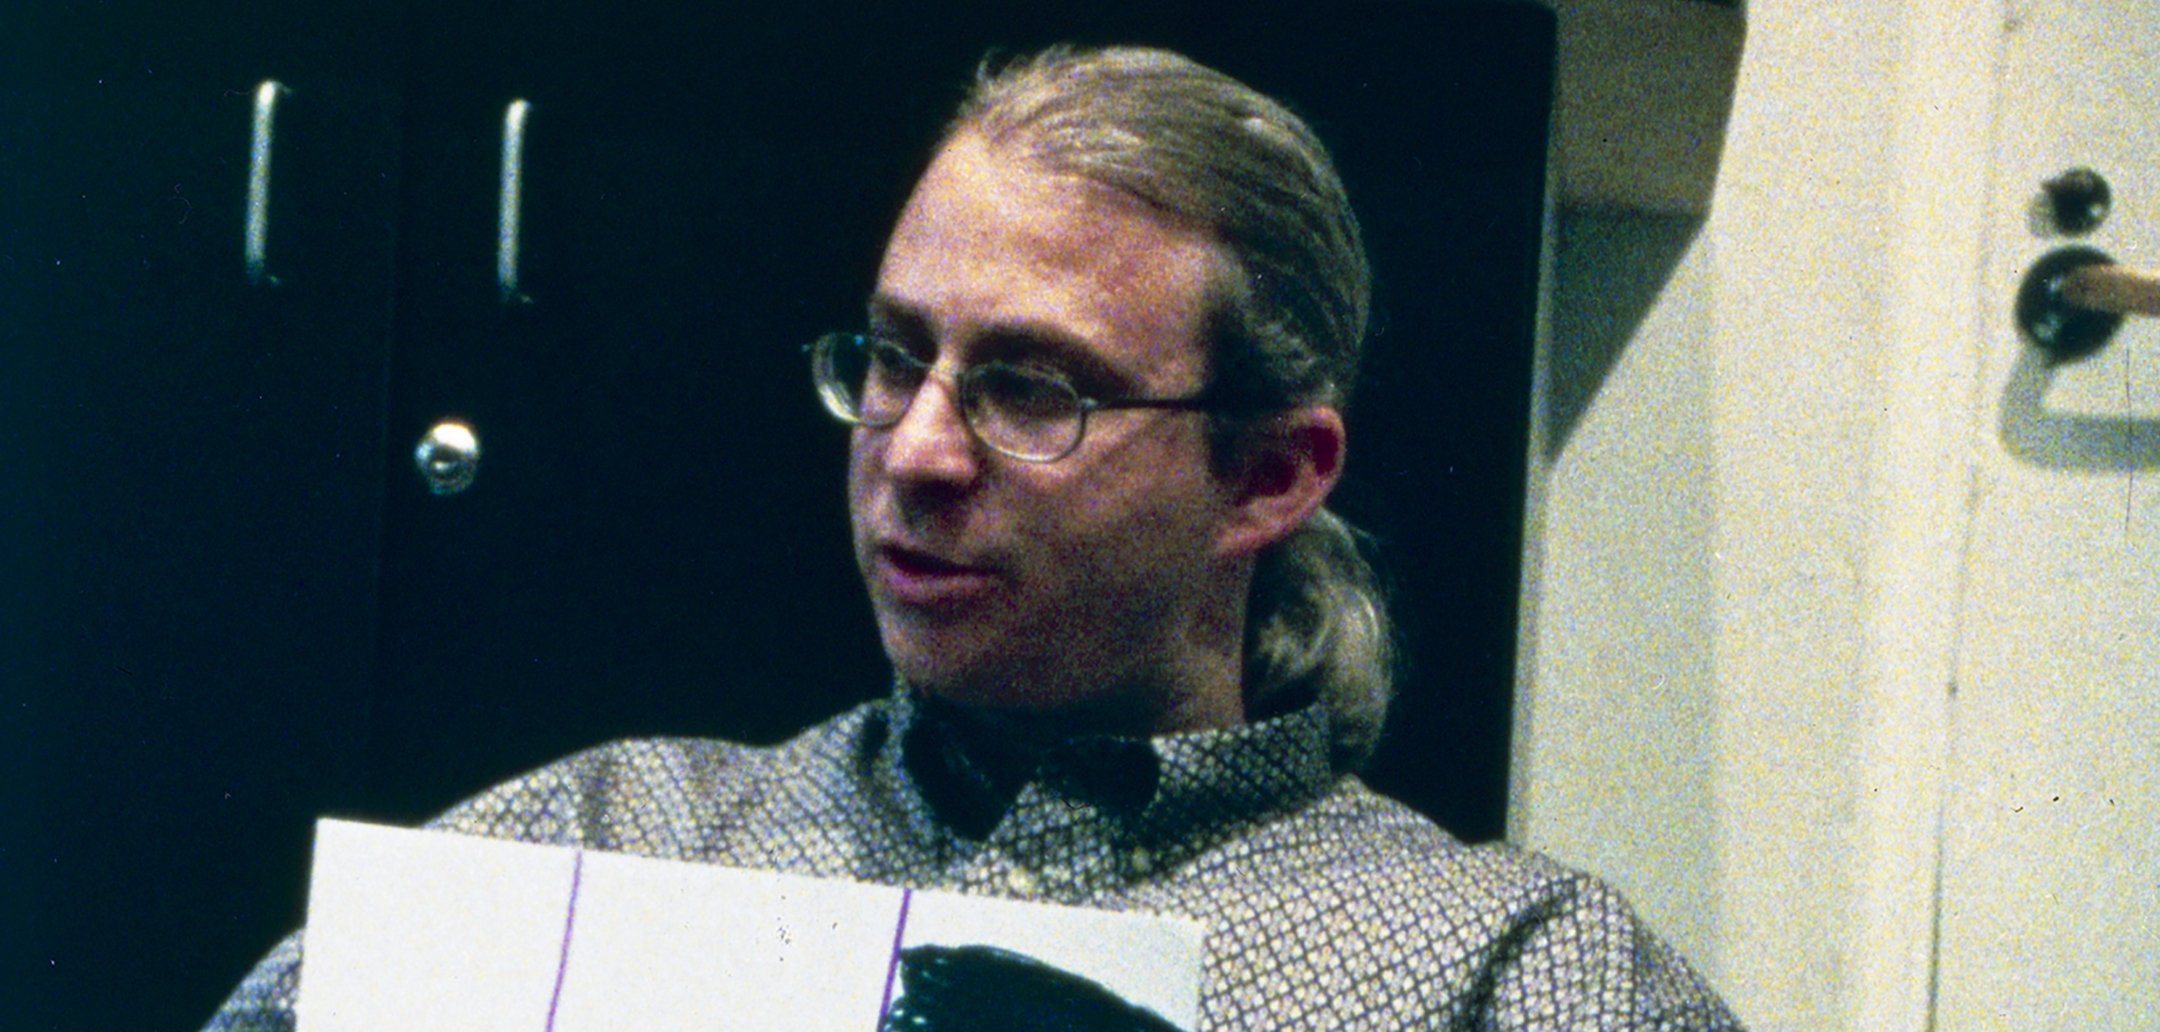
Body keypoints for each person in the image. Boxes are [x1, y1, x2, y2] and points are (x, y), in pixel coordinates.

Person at [205, 44, 1743, 1030]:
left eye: (1033, 390)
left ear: (1271, 476)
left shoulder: (1523, 981)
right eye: (892, 359)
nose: (919, 451)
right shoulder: (587, 848)